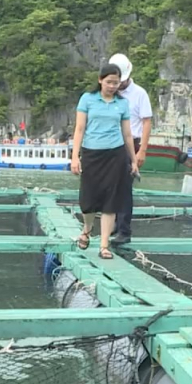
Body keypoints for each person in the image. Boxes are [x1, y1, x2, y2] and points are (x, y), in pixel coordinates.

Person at [71, 63, 139, 259]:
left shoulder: (122, 104)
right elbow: (80, 129)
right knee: (88, 198)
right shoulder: (88, 99)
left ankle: (104, 245)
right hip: (92, 154)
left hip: (115, 155)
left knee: (111, 200)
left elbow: (127, 135)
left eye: (116, 83)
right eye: (109, 82)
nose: (112, 86)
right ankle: (87, 228)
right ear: (100, 80)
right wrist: (75, 157)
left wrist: (133, 160)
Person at [107, 53, 153, 246]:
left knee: (125, 189)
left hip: (130, 144)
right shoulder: (109, 93)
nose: (119, 85)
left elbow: (146, 121)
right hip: (110, 143)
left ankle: (124, 231)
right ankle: (115, 225)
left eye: (121, 81)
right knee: (110, 188)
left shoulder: (139, 94)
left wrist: (142, 150)